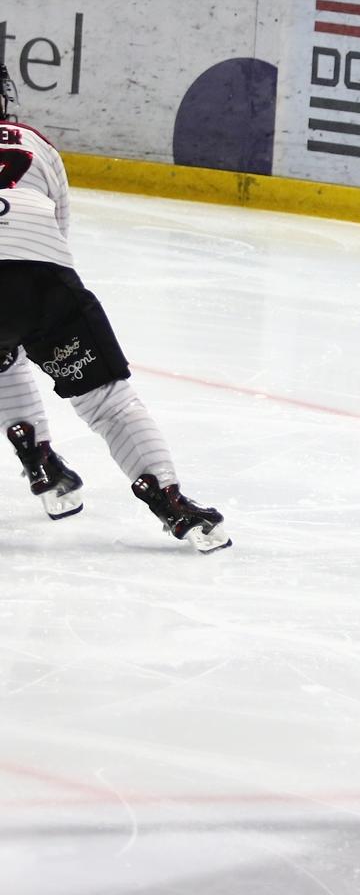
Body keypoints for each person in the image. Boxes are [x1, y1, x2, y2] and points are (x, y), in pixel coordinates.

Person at [0, 62, 229, 551]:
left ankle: (33, 448)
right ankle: (172, 503)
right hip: (42, 280)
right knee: (106, 401)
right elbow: (57, 236)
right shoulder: (34, 143)